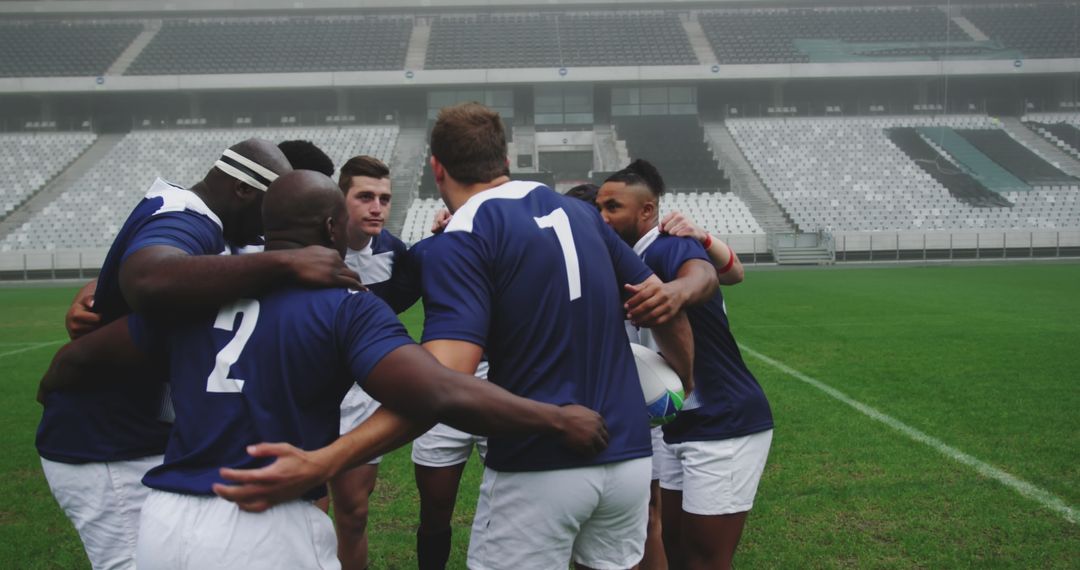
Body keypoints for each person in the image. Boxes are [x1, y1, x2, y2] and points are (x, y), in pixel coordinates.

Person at [38, 170, 609, 570]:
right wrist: (556, 419)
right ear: (334, 230)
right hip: (265, 519)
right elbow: (437, 391)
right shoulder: (344, 304)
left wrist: (50, 382)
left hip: (165, 522)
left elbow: (77, 362)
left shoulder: (197, 291)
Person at [211, 102, 699, 570]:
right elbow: (664, 306)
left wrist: (328, 459)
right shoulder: (583, 213)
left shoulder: (462, 238)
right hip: (629, 459)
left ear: (436, 168)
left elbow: (440, 384)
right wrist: (683, 380)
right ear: (504, 160)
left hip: (539, 464)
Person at [39, 139, 360, 570]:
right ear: (244, 191)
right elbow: (150, 279)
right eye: (267, 210)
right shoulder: (188, 215)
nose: (269, 227)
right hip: (104, 441)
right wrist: (287, 263)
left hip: (141, 433)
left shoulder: (217, 229)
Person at [598, 160, 774, 570]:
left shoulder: (667, 245)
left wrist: (675, 292)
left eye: (613, 207)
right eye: (600, 208)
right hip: (679, 422)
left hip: (724, 422)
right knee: (675, 550)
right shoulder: (626, 260)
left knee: (705, 560)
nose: (603, 217)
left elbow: (703, 275)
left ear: (646, 210)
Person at [331, 154, 419, 569]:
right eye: (365, 196)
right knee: (304, 510)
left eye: (384, 198)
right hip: (308, 391)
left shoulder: (395, 253)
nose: (377, 207)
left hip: (361, 395)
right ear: (339, 199)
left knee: (353, 512)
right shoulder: (307, 248)